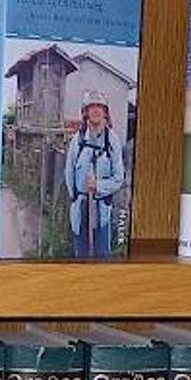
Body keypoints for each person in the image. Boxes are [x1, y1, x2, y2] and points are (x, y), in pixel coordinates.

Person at [64, 96, 126, 259]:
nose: (96, 110)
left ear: (105, 112)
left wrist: (98, 186)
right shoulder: (77, 141)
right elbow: (69, 171)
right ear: (86, 112)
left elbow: (118, 178)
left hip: (101, 208)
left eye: (100, 106)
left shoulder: (112, 141)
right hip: (80, 207)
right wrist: (75, 197)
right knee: (81, 255)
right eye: (92, 106)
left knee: (102, 256)